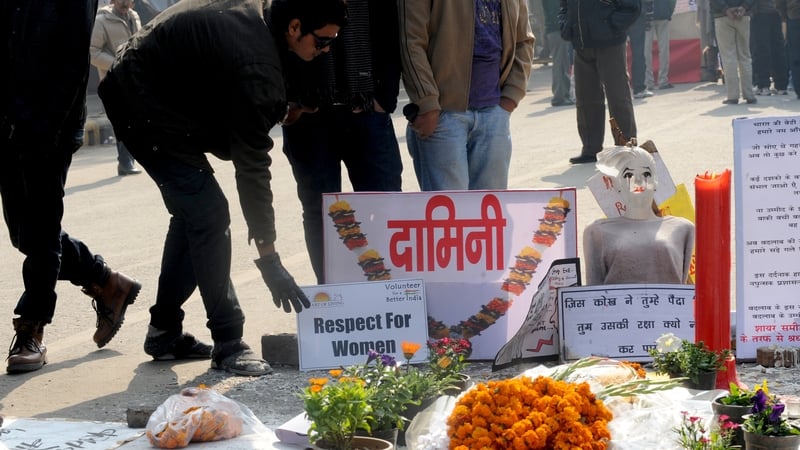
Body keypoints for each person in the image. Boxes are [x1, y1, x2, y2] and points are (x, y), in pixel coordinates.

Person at [98, 0, 347, 376]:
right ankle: (228, 341)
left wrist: (279, 109)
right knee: (210, 214)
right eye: (323, 41)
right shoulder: (257, 65)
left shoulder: (262, 26)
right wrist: (269, 258)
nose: (326, 50)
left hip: (155, 90)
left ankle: (164, 331)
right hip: (140, 101)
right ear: (294, 27)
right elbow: (252, 171)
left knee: (194, 214)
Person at [1, 0, 141, 374]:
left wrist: (47, 126)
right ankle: (105, 281)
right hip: (8, 119)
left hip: (49, 122)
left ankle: (31, 328)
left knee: (41, 229)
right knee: (23, 234)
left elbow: (71, 57)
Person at [280, 0, 403, 284]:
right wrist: (290, 100)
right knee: (320, 211)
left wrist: (385, 98)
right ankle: (333, 298)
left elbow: (389, 25)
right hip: (308, 114)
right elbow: (276, 23)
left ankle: (388, 294)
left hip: (366, 107)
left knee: (386, 204)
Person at [398, 0, 534, 191]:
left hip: (494, 113)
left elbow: (524, 39)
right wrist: (427, 103)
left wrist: (511, 95)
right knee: (448, 208)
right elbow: (411, 40)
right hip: (443, 115)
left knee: (489, 206)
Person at [582, 146, 695, 285]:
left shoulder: (683, 228)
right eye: (628, 175)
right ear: (614, 183)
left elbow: (681, 284)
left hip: (666, 299)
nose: (638, 180)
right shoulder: (596, 232)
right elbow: (593, 291)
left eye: (646, 174)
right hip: (619, 300)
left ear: (655, 181)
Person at [559, 0, 641, 164]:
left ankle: (626, 145)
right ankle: (591, 149)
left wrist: (610, 26)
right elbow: (563, 7)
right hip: (581, 45)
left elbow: (632, 7)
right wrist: (567, 26)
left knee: (618, 96)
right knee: (586, 99)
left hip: (610, 43)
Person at [90, 0, 144, 176]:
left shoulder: (134, 16)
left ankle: (129, 161)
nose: (125, 3)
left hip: (134, 77)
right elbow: (93, 52)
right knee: (123, 121)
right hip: (113, 80)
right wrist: (117, 64)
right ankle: (126, 162)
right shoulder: (101, 21)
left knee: (136, 120)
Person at [711, 0, 757, 104]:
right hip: (743, 15)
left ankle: (732, 96)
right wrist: (744, 7)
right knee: (745, 56)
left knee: (728, 57)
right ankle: (749, 94)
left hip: (722, 16)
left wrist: (725, 9)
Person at [750, 0, 789, 95]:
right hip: (776, 12)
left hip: (760, 13)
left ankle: (763, 85)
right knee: (778, 50)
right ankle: (781, 86)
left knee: (760, 50)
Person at [542, 0, 575, 106]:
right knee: (560, 65)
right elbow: (557, 12)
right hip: (557, 30)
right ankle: (560, 97)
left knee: (562, 64)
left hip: (555, 30)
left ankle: (564, 95)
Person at [645, 0, 677, 90]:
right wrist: (669, 12)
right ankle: (663, 81)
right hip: (663, 13)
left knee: (646, 51)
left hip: (646, 15)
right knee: (664, 49)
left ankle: (648, 82)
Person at [629, 1, 654, 99]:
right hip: (637, 13)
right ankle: (639, 88)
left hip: (618, 12)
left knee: (616, 53)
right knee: (638, 52)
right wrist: (648, 18)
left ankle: (615, 90)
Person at [776, 0, 800, 97]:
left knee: (795, 55)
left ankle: (798, 88)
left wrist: (784, 16)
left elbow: (779, 3)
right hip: (793, 16)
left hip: (794, 17)